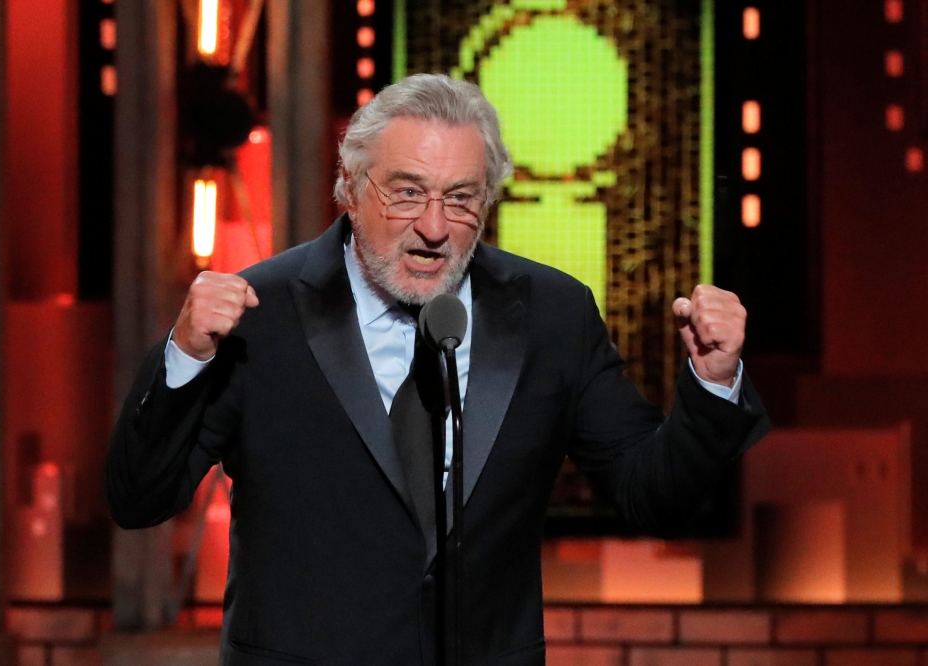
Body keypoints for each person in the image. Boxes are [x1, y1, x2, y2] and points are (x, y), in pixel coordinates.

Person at [106, 73, 769, 665]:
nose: (433, 226)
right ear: (350, 188)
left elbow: (652, 494)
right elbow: (140, 497)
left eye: (460, 198)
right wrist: (186, 354)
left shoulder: (552, 315)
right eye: (406, 192)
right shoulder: (263, 311)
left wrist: (713, 382)